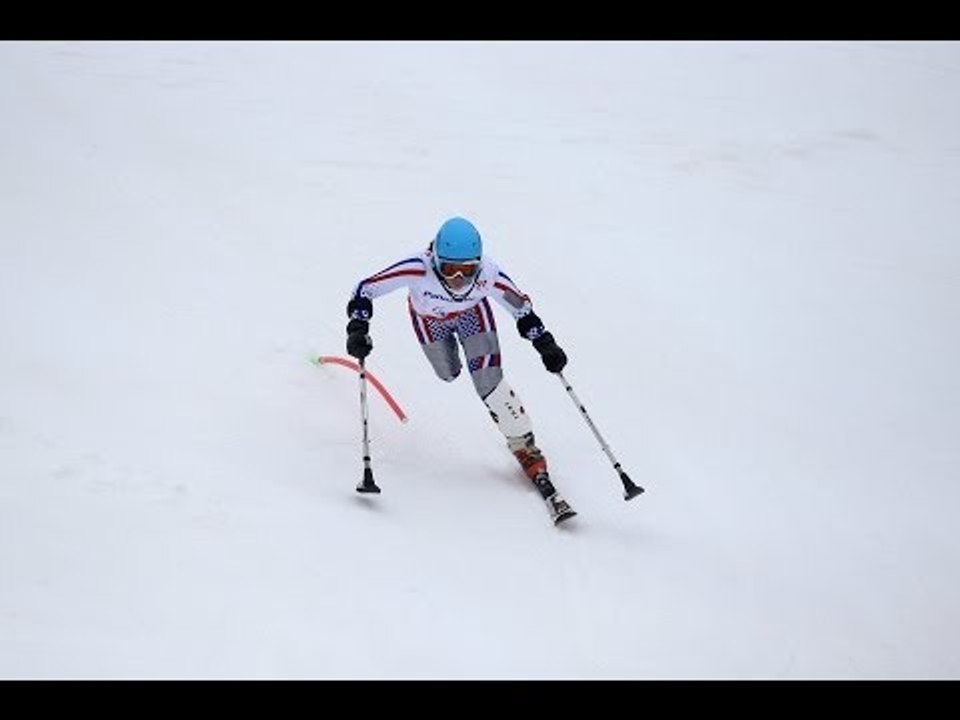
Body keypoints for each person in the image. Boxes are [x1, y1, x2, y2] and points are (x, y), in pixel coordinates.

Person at [344, 217, 576, 523]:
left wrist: (545, 343)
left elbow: (521, 308)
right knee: (448, 372)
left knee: (489, 383)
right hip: (429, 321)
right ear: (435, 260)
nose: (457, 278)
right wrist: (358, 326)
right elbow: (366, 288)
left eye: (467, 270)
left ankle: (525, 446)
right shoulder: (417, 267)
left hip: (472, 316)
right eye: (449, 268)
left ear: (478, 265)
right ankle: (457, 361)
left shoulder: (489, 275)